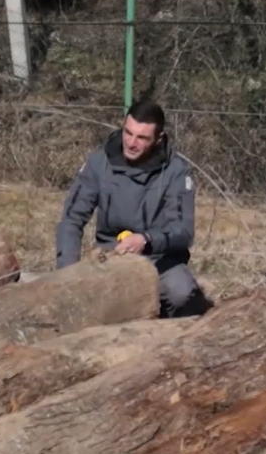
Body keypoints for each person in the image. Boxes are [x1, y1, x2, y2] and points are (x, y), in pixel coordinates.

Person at [55, 100, 205, 317]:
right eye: (128, 132)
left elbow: (184, 232)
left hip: (159, 260)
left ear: (158, 139)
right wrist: (66, 273)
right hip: (110, 255)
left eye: (142, 138)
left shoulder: (176, 172)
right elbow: (72, 218)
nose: (131, 143)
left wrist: (145, 240)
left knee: (181, 294)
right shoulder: (99, 162)